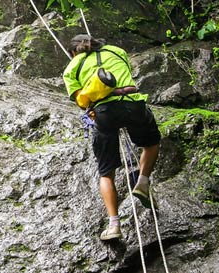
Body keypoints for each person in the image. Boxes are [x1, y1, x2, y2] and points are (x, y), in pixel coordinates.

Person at [62, 34, 161, 241]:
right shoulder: (118, 51)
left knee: (106, 172)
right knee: (151, 143)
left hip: (105, 112)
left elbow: (82, 102)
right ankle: (142, 182)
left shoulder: (72, 68)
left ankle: (114, 225)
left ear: (73, 53)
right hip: (133, 103)